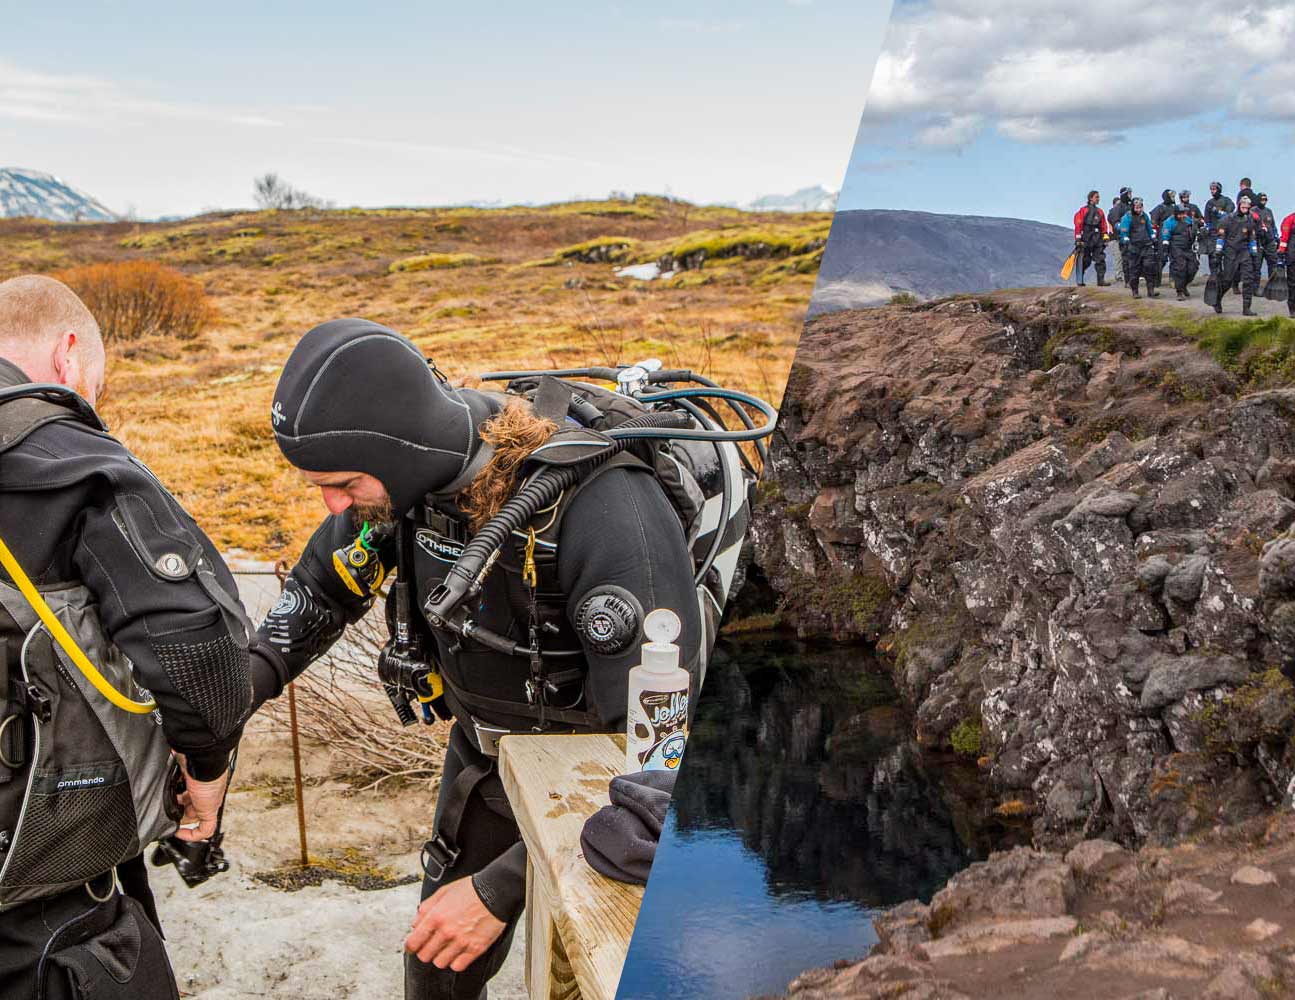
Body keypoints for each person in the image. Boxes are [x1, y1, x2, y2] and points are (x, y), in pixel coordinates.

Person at [249, 320, 742, 999]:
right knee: (434, 965)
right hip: (489, 758)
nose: (333, 504)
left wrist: (501, 888)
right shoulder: (406, 487)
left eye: (342, 482)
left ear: (393, 453)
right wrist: (220, 713)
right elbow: (318, 596)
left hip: (604, 784)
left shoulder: (607, 510)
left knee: (579, 972)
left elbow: (662, 770)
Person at [0, 276, 258, 1000]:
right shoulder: (69, 457)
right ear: (70, 354)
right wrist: (204, 778)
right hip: (42, 912)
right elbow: (197, 642)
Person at [1213, 192, 1263, 316]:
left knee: (1248, 279)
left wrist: (1254, 251)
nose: (1245, 209)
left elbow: (1252, 237)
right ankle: (1217, 300)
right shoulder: (1227, 219)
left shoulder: (1250, 219)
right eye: (1243, 207)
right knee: (1227, 280)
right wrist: (1218, 251)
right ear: (1238, 205)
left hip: (1244, 251)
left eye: (1247, 207)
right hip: (1231, 251)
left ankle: (1246, 308)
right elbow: (1221, 236)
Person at [1118, 196, 1160, 298]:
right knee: (1134, 270)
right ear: (1132, 207)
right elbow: (1124, 232)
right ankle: (1135, 291)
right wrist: (1126, 240)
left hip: (1146, 245)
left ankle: (1151, 290)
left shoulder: (1144, 216)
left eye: (1140, 207)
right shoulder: (1127, 217)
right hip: (1134, 247)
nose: (1139, 209)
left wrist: (1153, 238)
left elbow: (1149, 229)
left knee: (1149, 267)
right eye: (1137, 207)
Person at [1160, 202, 1201, 300]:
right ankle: (1179, 291)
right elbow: (1165, 235)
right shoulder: (1169, 222)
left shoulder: (1188, 220)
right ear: (1176, 213)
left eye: (1184, 213)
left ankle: (1184, 286)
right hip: (1176, 247)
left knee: (1193, 267)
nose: (1183, 215)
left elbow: (1195, 229)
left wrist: (1199, 230)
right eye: (1181, 214)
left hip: (1188, 247)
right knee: (1180, 268)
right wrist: (1165, 247)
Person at [1072, 190, 1111, 286]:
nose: (1098, 199)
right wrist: (1078, 239)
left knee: (1100, 259)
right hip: (1086, 237)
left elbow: (1103, 225)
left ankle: (1101, 281)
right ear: (1091, 198)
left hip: (1097, 238)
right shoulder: (1083, 211)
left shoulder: (1100, 212)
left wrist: (1105, 237)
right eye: (1096, 197)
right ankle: (1080, 280)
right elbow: (1078, 224)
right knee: (1086, 260)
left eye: (1098, 197)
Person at [1108, 186, 1133, 278]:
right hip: (1116, 237)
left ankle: (1131, 274)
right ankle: (1119, 275)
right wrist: (1120, 228)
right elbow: (1113, 220)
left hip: (1130, 236)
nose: (1130, 195)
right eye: (1129, 193)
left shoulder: (1131, 207)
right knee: (1119, 256)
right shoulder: (1117, 208)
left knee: (1130, 256)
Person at [1256, 192, 1278, 288]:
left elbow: (1273, 226)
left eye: (1265, 199)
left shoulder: (1269, 211)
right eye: (1262, 199)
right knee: (1256, 265)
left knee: (1273, 264)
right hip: (1258, 241)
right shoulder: (1253, 211)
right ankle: (1255, 287)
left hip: (1269, 241)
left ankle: (1272, 286)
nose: (1263, 201)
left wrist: (1276, 238)